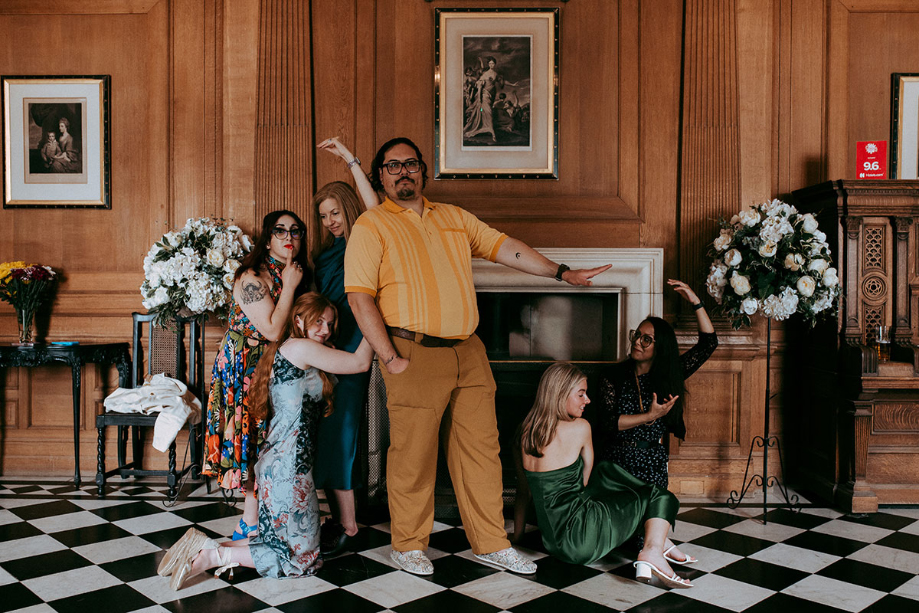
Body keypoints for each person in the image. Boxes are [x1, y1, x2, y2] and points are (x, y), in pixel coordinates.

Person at [344, 136, 611, 576]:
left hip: (468, 351)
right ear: (380, 177)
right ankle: (408, 545)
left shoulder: (453, 217)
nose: (403, 172)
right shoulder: (372, 226)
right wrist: (390, 358)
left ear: (423, 171)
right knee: (413, 454)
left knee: (481, 451)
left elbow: (506, 247)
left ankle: (490, 543)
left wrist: (562, 273)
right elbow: (360, 299)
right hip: (411, 351)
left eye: (410, 164)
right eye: (392, 167)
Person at [158, 293, 375, 589]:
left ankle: (204, 548)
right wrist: (376, 320)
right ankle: (215, 554)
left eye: (330, 323)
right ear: (298, 321)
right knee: (302, 559)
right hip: (288, 472)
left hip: (282, 468)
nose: (325, 329)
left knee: (284, 545)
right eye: (318, 321)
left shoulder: (290, 351)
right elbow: (361, 363)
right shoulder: (299, 348)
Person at [520, 363, 692, 589]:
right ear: (559, 394)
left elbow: (524, 492)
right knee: (659, 496)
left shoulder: (526, 430)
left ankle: (655, 535)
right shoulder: (580, 427)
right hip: (581, 540)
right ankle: (652, 549)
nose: (588, 400)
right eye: (581, 394)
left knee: (606, 471)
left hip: (552, 542)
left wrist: (517, 538)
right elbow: (585, 483)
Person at [202, 210, 311, 541]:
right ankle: (248, 522)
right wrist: (291, 285)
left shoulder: (295, 273)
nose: (288, 236)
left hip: (272, 365)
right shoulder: (252, 278)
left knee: (270, 440)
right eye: (280, 230)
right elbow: (273, 328)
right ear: (267, 238)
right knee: (251, 439)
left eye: (296, 230)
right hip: (244, 364)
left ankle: (256, 518)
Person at [597, 279, 717, 563]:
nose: (637, 342)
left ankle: (656, 543)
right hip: (618, 460)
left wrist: (695, 300)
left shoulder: (669, 375)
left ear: (658, 346)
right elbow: (608, 424)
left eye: (646, 339)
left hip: (653, 457)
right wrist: (650, 416)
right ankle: (658, 544)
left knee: (651, 506)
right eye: (636, 335)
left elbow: (708, 343)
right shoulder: (612, 377)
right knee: (637, 533)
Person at [309, 137, 379, 557]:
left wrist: (351, 160)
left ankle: (349, 525)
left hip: (356, 339)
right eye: (323, 216)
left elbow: (375, 211)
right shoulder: (328, 251)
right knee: (329, 429)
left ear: (348, 208)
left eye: (335, 212)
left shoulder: (368, 236)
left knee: (343, 429)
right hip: (326, 341)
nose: (330, 221)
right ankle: (338, 518)